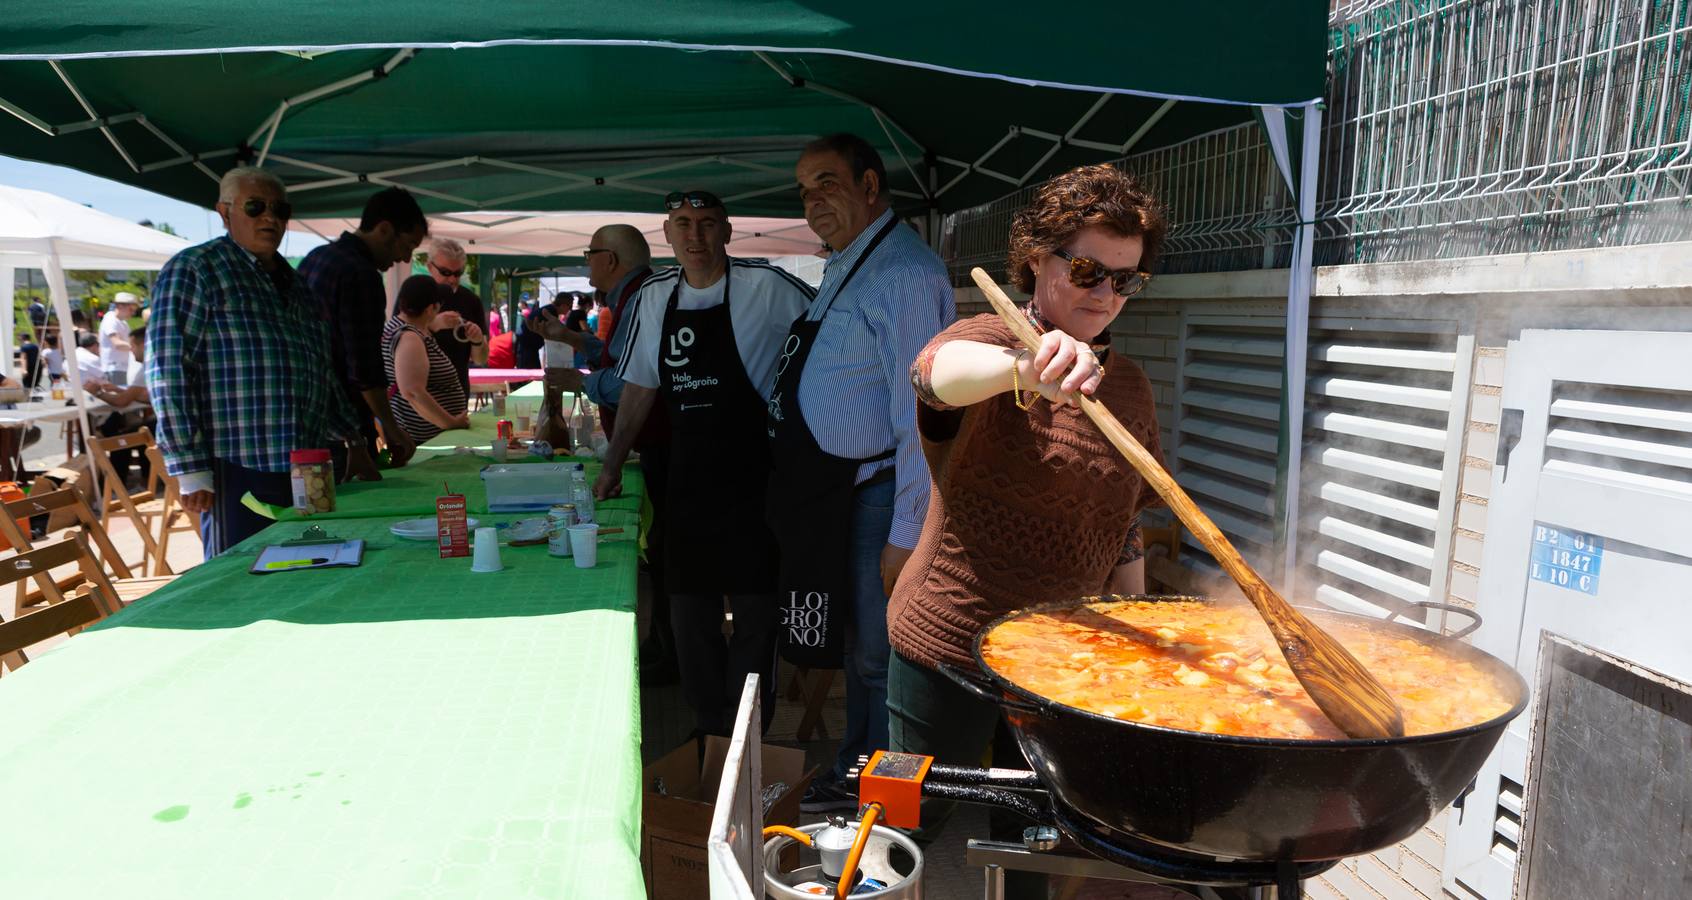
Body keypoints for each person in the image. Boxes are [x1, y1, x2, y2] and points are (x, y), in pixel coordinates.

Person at [888, 165, 1168, 899]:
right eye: (1086, 270)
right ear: (1038, 260)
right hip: (945, 641)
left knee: (1037, 841)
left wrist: (1133, 629)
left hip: (1059, 665)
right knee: (904, 824)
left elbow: (1124, 521)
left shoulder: (1130, 386)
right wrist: (1025, 368)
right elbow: (933, 375)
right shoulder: (990, 340)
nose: (1105, 295)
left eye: (1125, 281)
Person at [766, 134, 954, 812]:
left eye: (827, 181)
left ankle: (886, 799)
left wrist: (908, 533)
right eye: (804, 187)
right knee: (854, 652)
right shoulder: (847, 264)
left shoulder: (905, 273)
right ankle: (855, 770)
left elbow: (920, 416)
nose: (813, 199)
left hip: (879, 500)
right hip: (836, 497)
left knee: (883, 657)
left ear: (870, 185)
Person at [594, 190, 813, 736]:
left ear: (728, 232)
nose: (696, 237)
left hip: (756, 478)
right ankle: (707, 727)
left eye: (708, 224)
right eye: (684, 225)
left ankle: (746, 734)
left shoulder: (769, 286)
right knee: (690, 620)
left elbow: (829, 338)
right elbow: (640, 386)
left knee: (757, 620)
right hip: (684, 477)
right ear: (667, 235)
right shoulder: (654, 297)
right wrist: (612, 463)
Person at [149, 166, 378, 557]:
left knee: (310, 564)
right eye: (255, 207)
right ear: (224, 212)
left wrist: (353, 437)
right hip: (237, 466)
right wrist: (190, 468)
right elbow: (168, 372)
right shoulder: (196, 269)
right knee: (241, 577)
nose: (270, 218)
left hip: (308, 465)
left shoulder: (297, 285)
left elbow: (319, 371)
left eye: (280, 209)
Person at [299, 186, 429, 471]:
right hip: (345, 431)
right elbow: (364, 366)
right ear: (384, 230)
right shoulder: (360, 273)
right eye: (407, 245)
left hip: (306, 422)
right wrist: (392, 429)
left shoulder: (315, 258)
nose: (406, 259)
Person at [384, 275, 471, 443]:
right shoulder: (410, 338)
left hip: (428, 436)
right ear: (431, 308)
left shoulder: (399, 327)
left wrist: (434, 325)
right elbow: (413, 392)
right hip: (425, 440)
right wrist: (450, 422)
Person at [422, 237, 489, 394]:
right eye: (445, 272)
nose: (452, 279)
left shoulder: (471, 300)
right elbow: (396, 339)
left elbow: (481, 359)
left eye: (458, 273)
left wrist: (478, 341)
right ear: (430, 267)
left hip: (457, 392)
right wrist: (433, 325)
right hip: (420, 393)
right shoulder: (414, 294)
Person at [98, 291, 142, 385]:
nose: (133, 313)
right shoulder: (111, 320)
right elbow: (117, 343)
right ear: (120, 306)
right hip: (114, 367)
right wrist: (139, 348)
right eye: (131, 309)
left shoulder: (123, 323)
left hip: (121, 367)